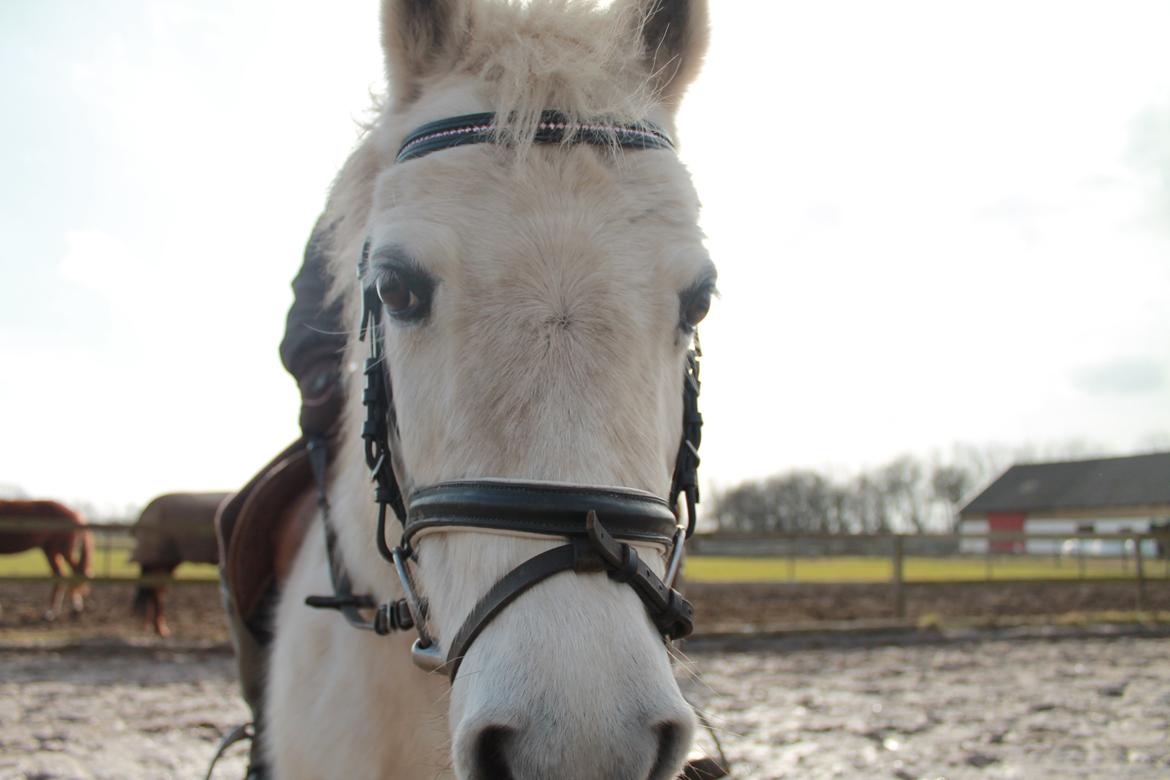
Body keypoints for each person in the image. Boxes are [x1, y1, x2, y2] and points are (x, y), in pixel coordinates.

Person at [213, 216, 346, 779]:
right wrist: (322, 370)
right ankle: (264, 719)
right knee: (239, 518)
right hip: (359, 401)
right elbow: (308, 312)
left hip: (462, 399)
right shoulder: (353, 195)